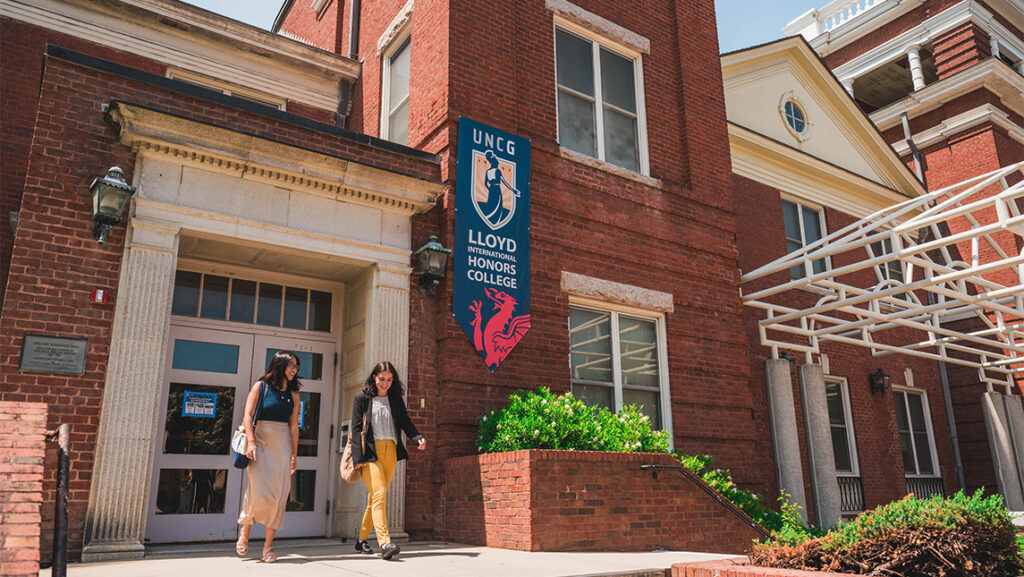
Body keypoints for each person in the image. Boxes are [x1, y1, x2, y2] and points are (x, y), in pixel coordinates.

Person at [350, 361, 426, 560]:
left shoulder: (395, 400)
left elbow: (405, 423)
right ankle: (385, 543)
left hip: (390, 451)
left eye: (389, 380)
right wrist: (357, 457)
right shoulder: (362, 399)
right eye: (381, 379)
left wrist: (417, 437)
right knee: (380, 493)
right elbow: (356, 429)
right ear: (374, 377)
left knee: (375, 497)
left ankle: (361, 540)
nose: (385, 383)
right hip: (370, 454)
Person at [236, 351, 301, 563]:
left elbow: (294, 428)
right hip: (260, 441)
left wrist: (294, 454)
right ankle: (245, 532)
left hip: (282, 443)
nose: (295, 370)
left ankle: (268, 546)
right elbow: (247, 415)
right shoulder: (260, 387)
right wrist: (252, 442)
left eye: (296, 367)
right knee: (257, 490)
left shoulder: (294, 394)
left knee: (279, 494)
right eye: (291, 365)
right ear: (279, 365)